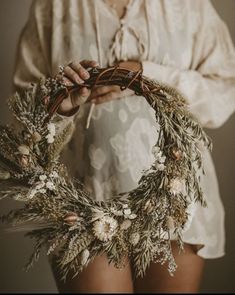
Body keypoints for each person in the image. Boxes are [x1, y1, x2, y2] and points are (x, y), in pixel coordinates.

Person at [13, 0, 235, 293]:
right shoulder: (52, 7)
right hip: (83, 203)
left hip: (176, 197)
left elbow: (225, 89)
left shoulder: (190, 5)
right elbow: (23, 115)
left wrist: (148, 75)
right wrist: (60, 106)